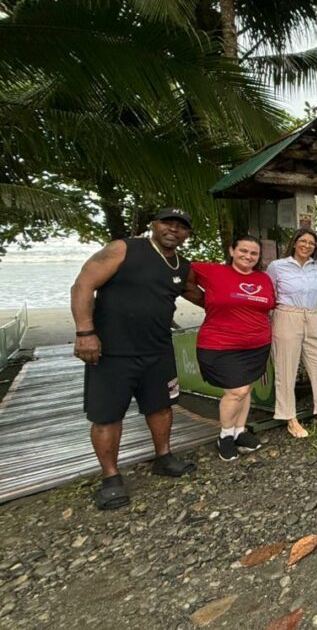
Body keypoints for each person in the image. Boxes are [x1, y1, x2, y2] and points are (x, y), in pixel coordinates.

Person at [72, 207, 201, 510]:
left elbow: (197, 294)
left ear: (187, 234)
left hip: (157, 349)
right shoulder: (124, 248)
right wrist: (84, 332)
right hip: (112, 350)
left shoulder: (182, 265)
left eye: (181, 226)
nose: (173, 229)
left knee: (161, 406)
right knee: (106, 415)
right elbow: (82, 285)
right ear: (154, 224)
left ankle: (164, 457)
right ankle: (111, 477)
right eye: (167, 223)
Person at [189, 236, 276, 461]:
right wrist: (201, 299)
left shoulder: (263, 278)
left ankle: (240, 432)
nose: (248, 256)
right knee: (236, 391)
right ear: (232, 250)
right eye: (243, 251)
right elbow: (177, 271)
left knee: (245, 389)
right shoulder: (212, 271)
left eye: (253, 253)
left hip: (256, 345)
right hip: (220, 344)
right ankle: (225, 436)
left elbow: (269, 305)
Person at [266, 228, 317, 439]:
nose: (307, 245)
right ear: (295, 242)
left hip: (313, 315)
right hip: (286, 315)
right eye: (303, 241)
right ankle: (290, 417)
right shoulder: (278, 266)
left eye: (312, 243)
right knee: (285, 368)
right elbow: (269, 293)